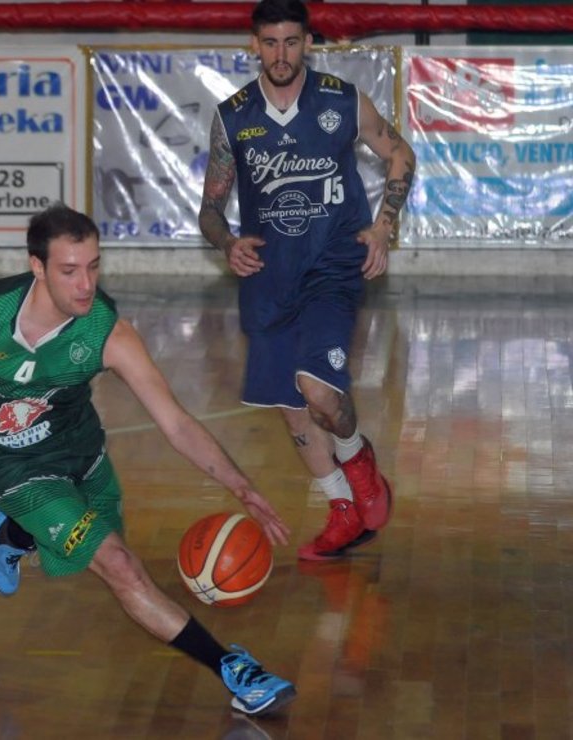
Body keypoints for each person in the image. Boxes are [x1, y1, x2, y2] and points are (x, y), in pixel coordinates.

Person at [0, 204, 298, 717]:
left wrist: (241, 485)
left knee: (83, 558)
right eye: (69, 270)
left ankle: (12, 533)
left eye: (94, 266)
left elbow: (175, 422)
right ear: (37, 268)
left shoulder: (104, 331)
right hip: (12, 468)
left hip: (83, 455)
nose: (85, 284)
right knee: (120, 567)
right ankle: (235, 671)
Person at [197, 0, 416, 561]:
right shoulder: (233, 116)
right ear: (254, 45)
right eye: (269, 43)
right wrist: (228, 244)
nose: (280, 54)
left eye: (291, 42)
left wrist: (383, 226)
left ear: (308, 44)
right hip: (268, 277)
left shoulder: (341, 101)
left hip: (332, 267)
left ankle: (360, 462)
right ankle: (342, 507)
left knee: (320, 392)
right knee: (291, 405)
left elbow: (399, 153)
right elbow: (211, 210)